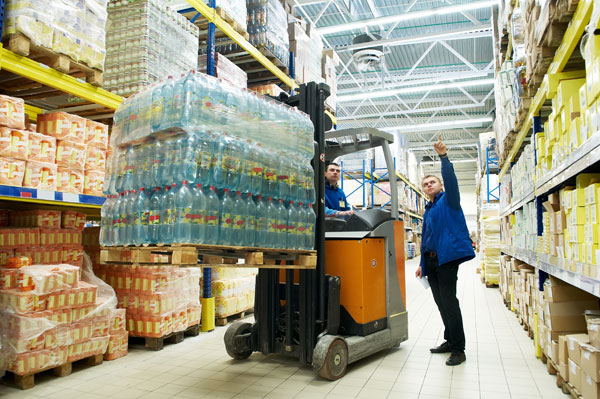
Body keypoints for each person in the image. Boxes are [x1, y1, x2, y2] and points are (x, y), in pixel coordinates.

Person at [415, 134, 475, 366]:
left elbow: (451, 179)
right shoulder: (428, 210)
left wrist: (443, 157)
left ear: (440, 186)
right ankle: (449, 340)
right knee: (441, 303)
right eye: (425, 184)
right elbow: (426, 240)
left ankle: (459, 348)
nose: (429, 185)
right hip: (430, 261)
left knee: (450, 302)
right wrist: (421, 264)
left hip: (446, 260)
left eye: (433, 182)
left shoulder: (449, 201)